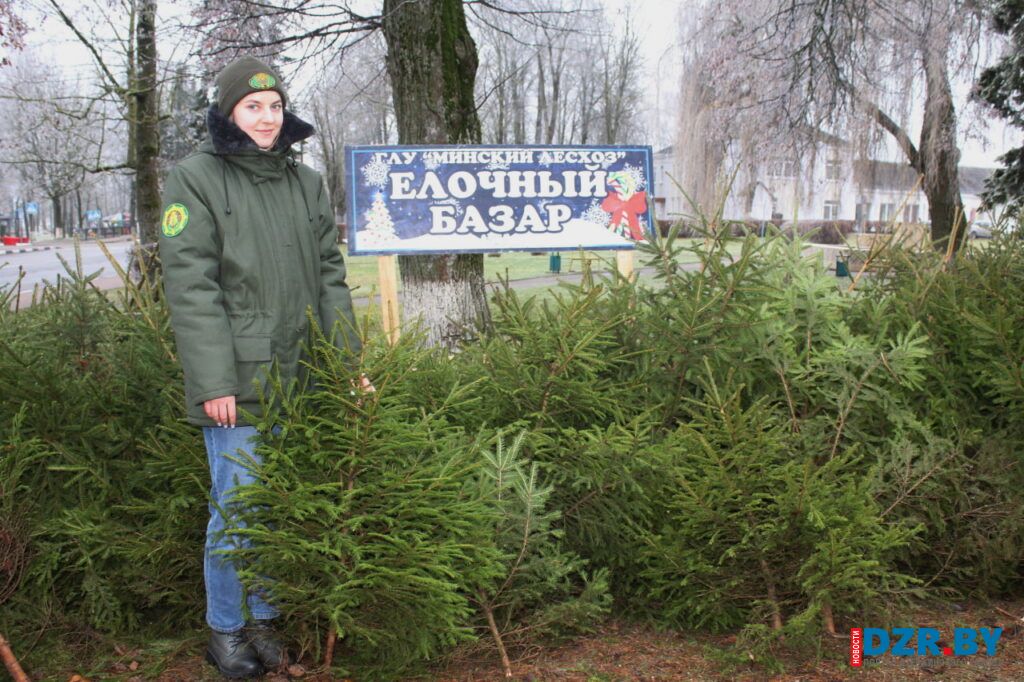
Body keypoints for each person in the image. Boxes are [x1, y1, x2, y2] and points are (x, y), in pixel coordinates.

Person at [159, 56, 365, 678]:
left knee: (274, 506)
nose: (268, 118)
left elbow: (331, 278)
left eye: (274, 106)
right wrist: (215, 381)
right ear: (227, 113)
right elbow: (192, 287)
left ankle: (263, 621)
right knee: (239, 506)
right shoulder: (196, 179)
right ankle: (225, 630)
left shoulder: (305, 183)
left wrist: (347, 365)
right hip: (239, 380)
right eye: (253, 107)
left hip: (303, 372)